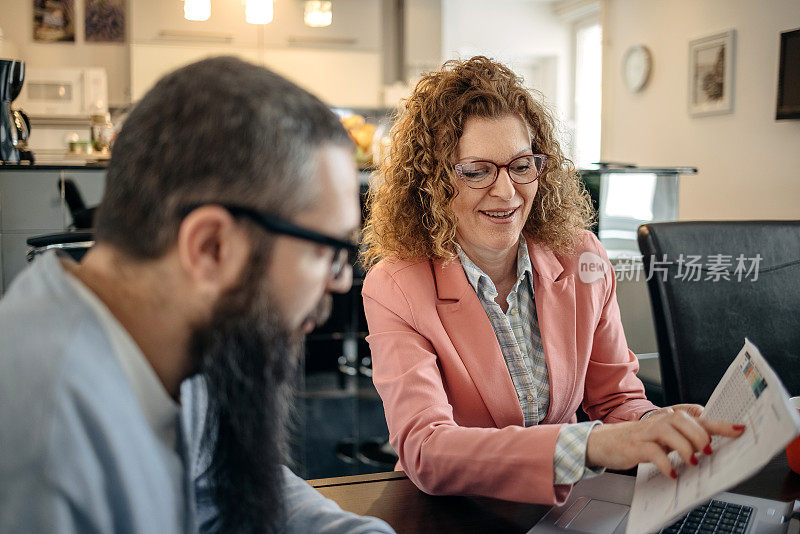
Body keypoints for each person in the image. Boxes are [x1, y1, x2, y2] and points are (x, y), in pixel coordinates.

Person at [0, 56, 393, 534]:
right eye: (327, 251)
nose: (342, 282)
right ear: (211, 248)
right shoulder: (46, 448)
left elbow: (220, 484)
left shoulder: (173, 341)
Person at [360, 56, 744, 505]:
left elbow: (615, 401)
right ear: (432, 180)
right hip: (455, 510)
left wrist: (653, 425)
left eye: (522, 166)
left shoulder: (583, 257)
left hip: (564, 503)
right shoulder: (395, 287)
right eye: (477, 170)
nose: (506, 192)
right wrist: (589, 445)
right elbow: (425, 449)